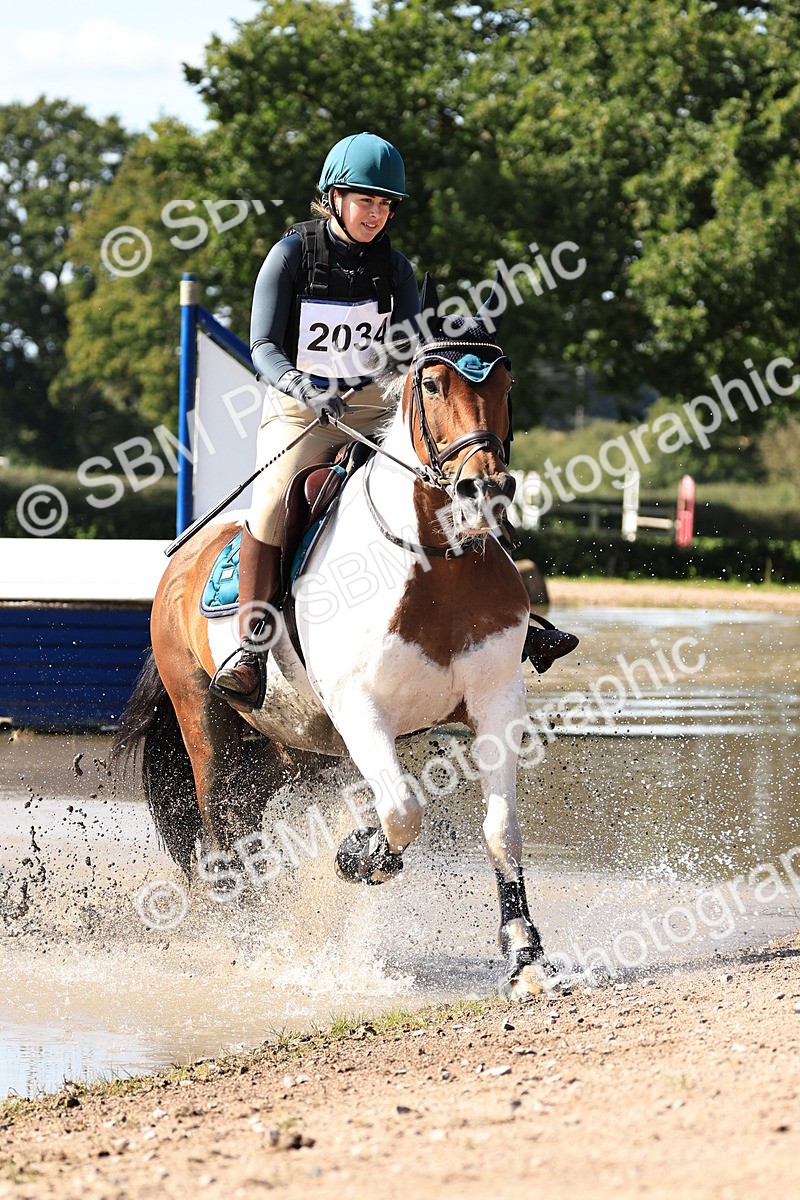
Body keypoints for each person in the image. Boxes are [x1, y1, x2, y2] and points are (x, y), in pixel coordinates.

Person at [210, 132, 420, 709]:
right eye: (366, 200)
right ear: (332, 197)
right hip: (301, 406)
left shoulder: (396, 270)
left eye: (385, 205)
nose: (377, 214)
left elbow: (408, 350)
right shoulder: (291, 255)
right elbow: (262, 346)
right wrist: (303, 385)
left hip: (374, 405)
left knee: (444, 480)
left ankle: (503, 620)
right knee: (273, 501)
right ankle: (250, 649)